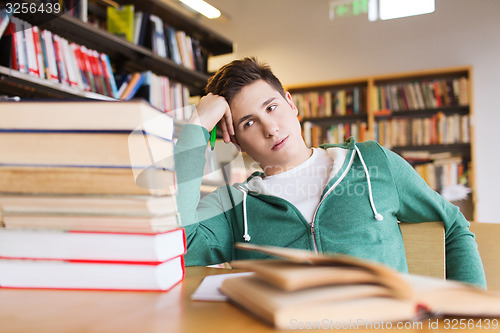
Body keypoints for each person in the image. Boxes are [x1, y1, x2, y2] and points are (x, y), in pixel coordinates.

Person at [174, 57, 486, 288]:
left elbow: (454, 225)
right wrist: (196, 127)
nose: (270, 128)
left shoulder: (372, 162)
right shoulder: (234, 207)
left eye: (271, 108)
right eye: (249, 123)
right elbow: (178, 246)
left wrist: (469, 317)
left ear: (291, 104)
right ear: (236, 141)